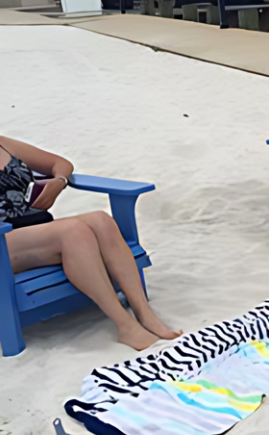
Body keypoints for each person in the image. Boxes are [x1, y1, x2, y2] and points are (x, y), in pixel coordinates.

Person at [0, 137, 179, 351]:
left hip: (33, 231)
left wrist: (59, 182)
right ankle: (126, 326)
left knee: (100, 221)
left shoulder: (3, 143)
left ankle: (145, 313)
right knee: (73, 232)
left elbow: (61, 164)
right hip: (4, 241)